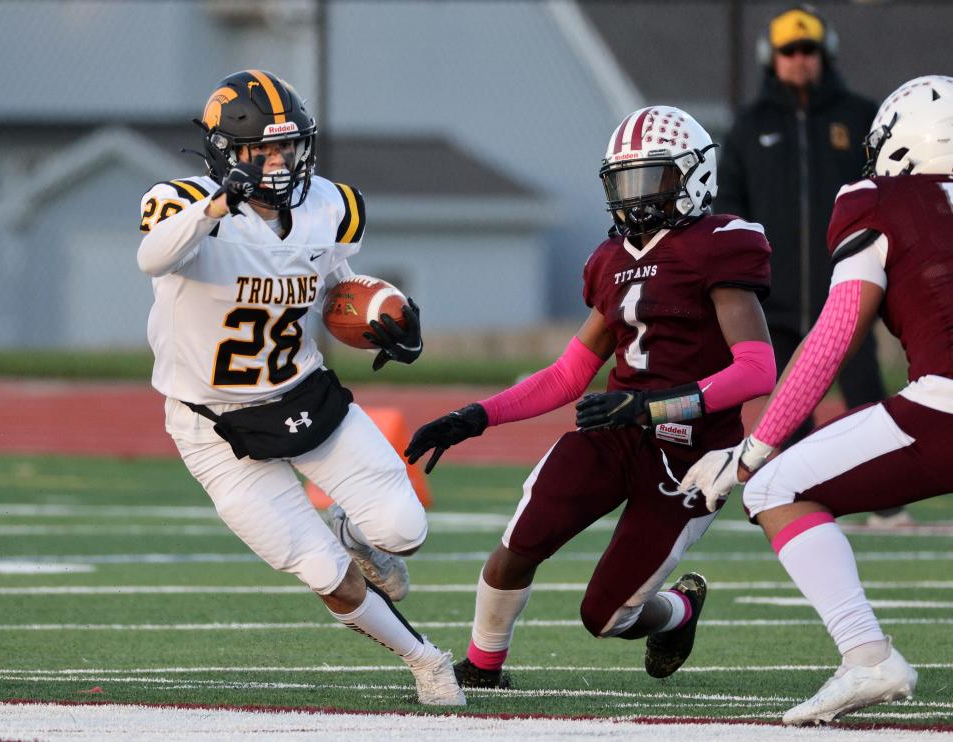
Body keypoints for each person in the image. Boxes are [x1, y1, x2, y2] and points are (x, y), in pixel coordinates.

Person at [405, 106, 777, 688]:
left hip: (691, 458)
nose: (635, 197)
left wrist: (652, 406)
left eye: (651, 179)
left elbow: (757, 370)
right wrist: (474, 417)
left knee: (605, 617)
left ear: (693, 177)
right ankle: (483, 668)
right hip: (614, 434)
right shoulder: (609, 260)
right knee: (520, 542)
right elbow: (566, 376)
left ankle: (678, 611)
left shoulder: (718, 245)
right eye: (624, 182)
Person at [136, 69, 464, 706]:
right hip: (213, 425)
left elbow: (337, 284)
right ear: (227, 155)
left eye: (289, 146)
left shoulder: (331, 207)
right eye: (264, 149)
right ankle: (425, 661)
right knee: (323, 574)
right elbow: (153, 257)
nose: (280, 161)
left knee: (404, 531)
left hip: (304, 394)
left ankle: (351, 529)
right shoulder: (181, 202)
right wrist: (215, 207)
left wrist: (383, 318)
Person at [682, 75, 953, 725]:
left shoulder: (879, 197)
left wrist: (753, 450)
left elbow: (836, 332)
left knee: (773, 489)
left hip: (945, 404)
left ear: (904, 146)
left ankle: (866, 655)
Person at [717, 7, 906, 526]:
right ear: (770, 58)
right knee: (790, 409)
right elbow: (730, 208)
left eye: (809, 51)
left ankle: (888, 505)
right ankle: (812, 497)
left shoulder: (859, 116)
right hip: (774, 300)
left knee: (867, 400)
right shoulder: (748, 128)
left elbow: (887, 189)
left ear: (826, 54)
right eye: (789, 52)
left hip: (848, 293)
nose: (800, 61)